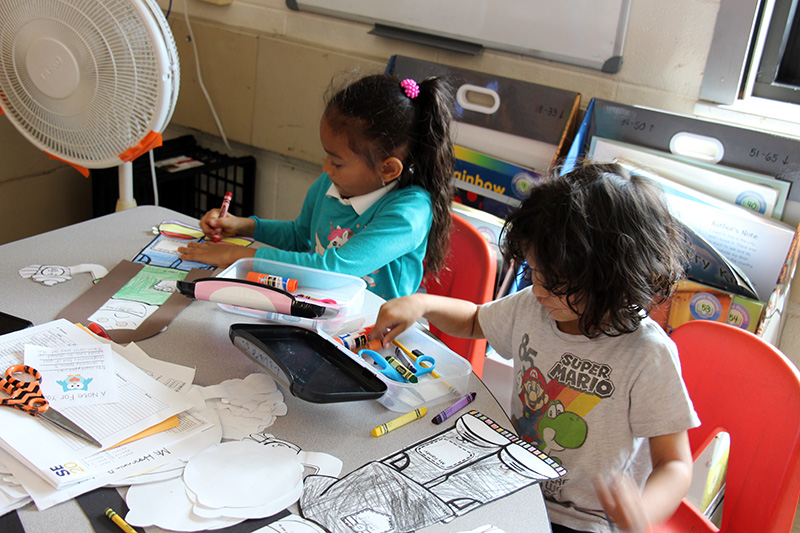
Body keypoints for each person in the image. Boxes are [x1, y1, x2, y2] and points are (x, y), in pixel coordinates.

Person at [372, 161, 701, 532]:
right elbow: (476, 319)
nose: (539, 290)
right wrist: (423, 304)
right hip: (514, 484)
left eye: (556, 282)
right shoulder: (535, 305)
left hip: (585, 520)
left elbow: (675, 464)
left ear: (611, 280)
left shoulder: (646, 353)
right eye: (534, 271)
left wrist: (642, 509)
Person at [178, 73, 455, 300]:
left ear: (387, 169)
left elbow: (333, 269)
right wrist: (244, 226)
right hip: (317, 303)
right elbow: (301, 237)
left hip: (371, 326)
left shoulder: (409, 213)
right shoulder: (331, 183)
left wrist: (237, 254)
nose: (325, 169)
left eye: (337, 162)